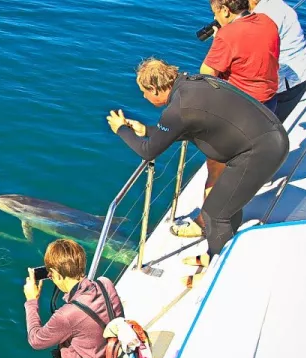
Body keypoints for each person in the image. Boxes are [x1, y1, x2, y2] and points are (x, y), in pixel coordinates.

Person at [107, 58, 288, 286]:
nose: (143, 97)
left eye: (144, 92)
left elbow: (148, 151)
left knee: (215, 212)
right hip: (268, 137)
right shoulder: (193, 85)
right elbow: (190, 125)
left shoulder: (178, 110)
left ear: (155, 88)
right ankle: (217, 255)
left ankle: (217, 275)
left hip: (259, 151)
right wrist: (147, 130)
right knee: (228, 206)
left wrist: (122, 130)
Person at [173, 0, 281, 238]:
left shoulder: (228, 35)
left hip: (241, 112)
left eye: (215, 12)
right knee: (244, 161)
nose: (215, 17)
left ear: (224, 9)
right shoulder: (268, 22)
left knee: (216, 166)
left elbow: (207, 75)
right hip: (268, 104)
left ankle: (204, 223)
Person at [249, 0, 306, 123]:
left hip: (290, 79)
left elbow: (253, 53)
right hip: (303, 68)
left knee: (268, 127)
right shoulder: (276, 4)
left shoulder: (263, 16)